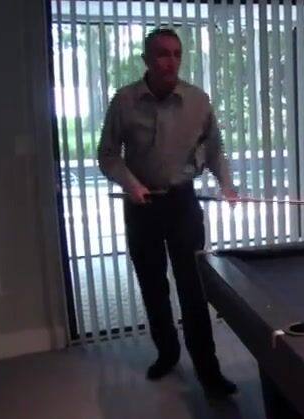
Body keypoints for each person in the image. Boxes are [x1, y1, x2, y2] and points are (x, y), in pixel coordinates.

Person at [97, 27, 238, 397]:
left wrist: (226, 184)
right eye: (161, 54)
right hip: (141, 206)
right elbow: (108, 155)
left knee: (193, 287)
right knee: (153, 284)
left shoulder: (198, 101)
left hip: (182, 204)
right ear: (146, 59)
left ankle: (209, 371)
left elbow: (215, 149)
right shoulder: (124, 101)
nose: (170, 61)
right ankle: (167, 353)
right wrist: (131, 184)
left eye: (176, 54)